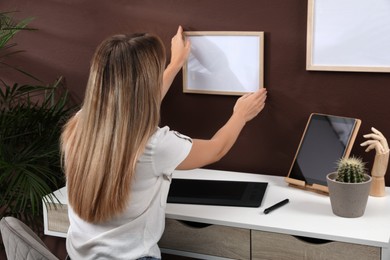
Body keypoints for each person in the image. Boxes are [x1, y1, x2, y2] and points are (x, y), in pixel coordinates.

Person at [60, 26, 267, 260]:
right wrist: (240, 115)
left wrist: (176, 63)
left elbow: (134, 105)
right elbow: (216, 149)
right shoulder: (154, 145)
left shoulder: (80, 123)